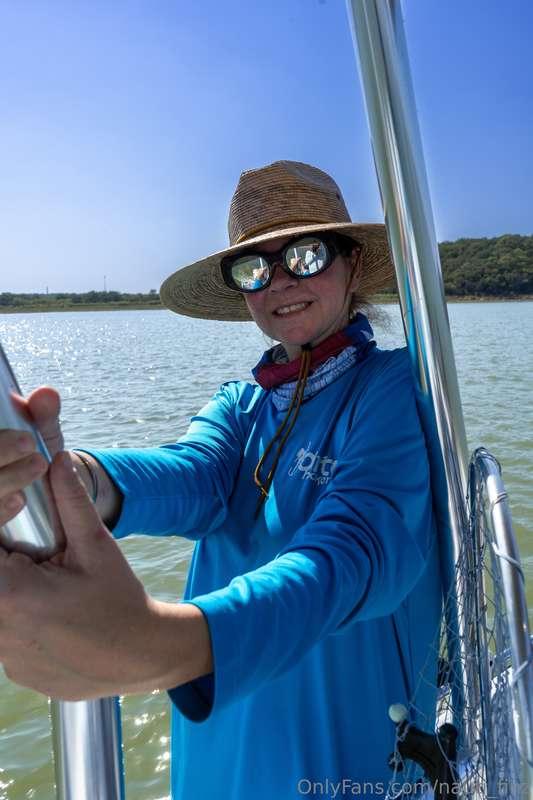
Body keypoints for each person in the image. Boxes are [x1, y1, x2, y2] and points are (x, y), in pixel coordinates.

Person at [0, 160, 442, 800]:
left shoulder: (393, 388)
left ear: (350, 264)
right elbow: (192, 475)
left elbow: (358, 548)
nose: (280, 281)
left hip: (348, 763)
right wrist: (63, 477)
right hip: (217, 759)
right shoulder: (241, 406)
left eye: (307, 254)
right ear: (242, 292)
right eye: (254, 268)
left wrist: (163, 643)